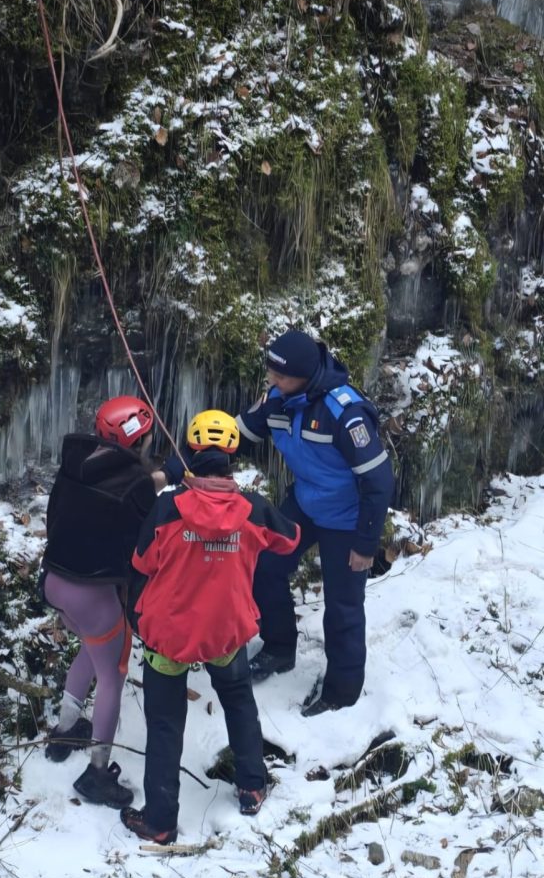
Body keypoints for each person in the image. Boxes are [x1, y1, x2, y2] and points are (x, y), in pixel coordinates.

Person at [121, 410, 300, 845]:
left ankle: (161, 821)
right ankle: (252, 786)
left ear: (191, 454)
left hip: (169, 634)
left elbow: (141, 562)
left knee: (165, 723)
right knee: (239, 702)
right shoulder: (253, 509)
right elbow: (290, 538)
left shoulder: (167, 508)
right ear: (232, 455)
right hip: (225, 631)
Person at [236, 329, 394, 715]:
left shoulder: (345, 412)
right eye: (269, 372)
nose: (271, 381)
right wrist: (179, 465)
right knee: (263, 566)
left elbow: (378, 480)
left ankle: (342, 692)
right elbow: (232, 436)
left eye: (280, 376)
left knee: (342, 606)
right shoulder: (277, 399)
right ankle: (278, 647)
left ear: (304, 376)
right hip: (305, 504)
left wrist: (366, 544)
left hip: (347, 518)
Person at [41, 394, 158, 808]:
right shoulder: (137, 485)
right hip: (95, 596)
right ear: (137, 439)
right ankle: (96, 774)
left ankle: (63, 732)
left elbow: (67, 511)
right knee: (113, 676)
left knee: (91, 652)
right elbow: (148, 536)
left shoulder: (75, 464)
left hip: (56, 584)